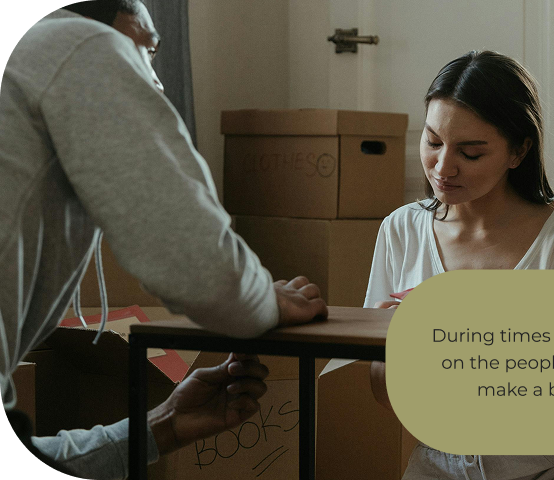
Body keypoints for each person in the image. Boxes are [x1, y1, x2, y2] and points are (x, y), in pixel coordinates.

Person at [0, 1, 327, 478]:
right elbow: (202, 271)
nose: (155, 83)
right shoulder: (75, 42)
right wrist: (266, 302)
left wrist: (164, 426)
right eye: (144, 52)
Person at [364, 51, 554, 479]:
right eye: (433, 141)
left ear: (519, 151)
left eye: (471, 153)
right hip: (442, 468)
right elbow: (386, 397)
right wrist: (392, 351)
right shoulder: (401, 230)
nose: (442, 167)